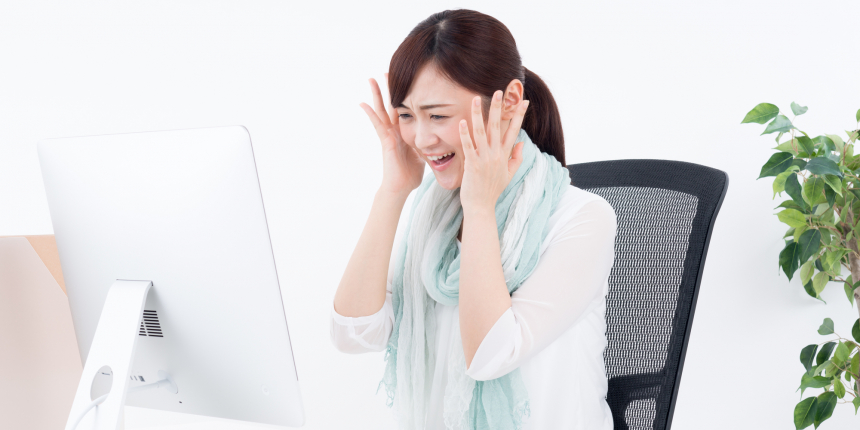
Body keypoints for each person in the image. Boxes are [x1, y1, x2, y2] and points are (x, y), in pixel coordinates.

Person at [330, 9, 617, 430]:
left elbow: (490, 355)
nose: (421, 139)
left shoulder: (582, 219)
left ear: (509, 102)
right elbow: (353, 333)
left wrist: (480, 208)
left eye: (438, 115)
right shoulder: (434, 219)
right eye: (406, 115)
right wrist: (393, 192)